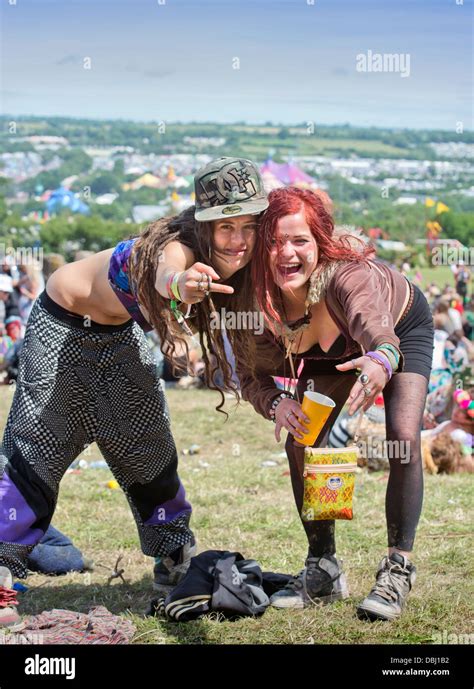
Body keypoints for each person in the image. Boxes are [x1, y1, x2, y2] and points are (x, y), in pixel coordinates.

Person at [0, 157, 268, 629]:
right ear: (203, 224)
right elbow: (168, 272)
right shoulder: (174, 246)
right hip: (60, 326)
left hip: (120, 338)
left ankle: (174, 558)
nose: (239, 239)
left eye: (249, 225)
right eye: (226, 226)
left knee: (148, 451)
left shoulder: (245, 258)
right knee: (37, 453)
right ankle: (2, 573)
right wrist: (181, 287)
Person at [236, 186, 435, 621]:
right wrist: (274, 403)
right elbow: (248, 373)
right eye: (273, 241)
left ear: (320, 243)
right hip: (331, 356)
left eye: (299, 240)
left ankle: (397, 568)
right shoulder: (256, 296)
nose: (285, 252)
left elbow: (373, 323)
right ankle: (323, 568)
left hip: (398, 330)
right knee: (301, 441)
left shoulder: (348, 276)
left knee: (401, 435)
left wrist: (382, 357)